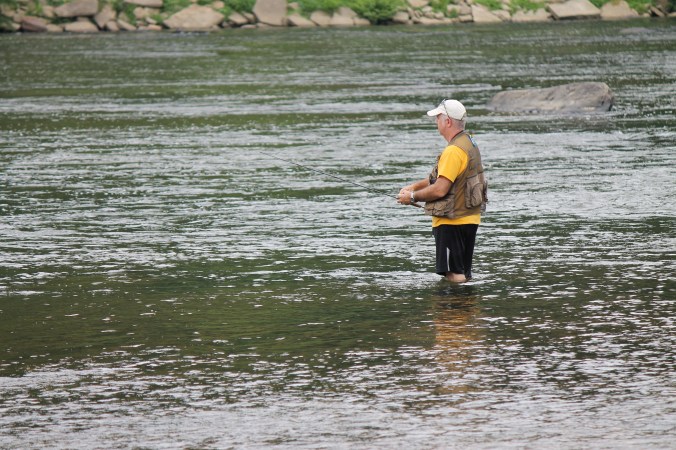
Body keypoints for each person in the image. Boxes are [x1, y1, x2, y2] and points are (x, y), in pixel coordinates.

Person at [398, 99, 488, 283]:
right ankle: (466, 309)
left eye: (438, 118)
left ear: (447, 122)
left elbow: (440, 189)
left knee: (453, 274)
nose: (436, 122)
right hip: (469, 219)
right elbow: (445, 177)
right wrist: (414, 187)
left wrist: (412, 197)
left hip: (452, 222)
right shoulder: (469, 143)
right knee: (463, 273)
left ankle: (454, 310)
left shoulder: (453, 151)